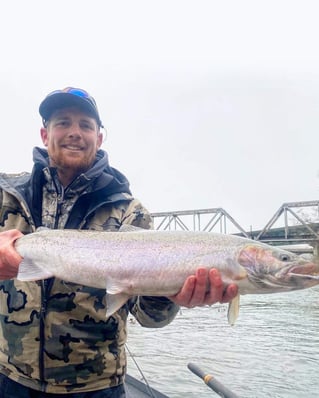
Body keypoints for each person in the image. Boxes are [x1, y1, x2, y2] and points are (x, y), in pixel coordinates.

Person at [0, 87, 238, 397]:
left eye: (86, 125)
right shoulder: (6, 196)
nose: (75, 132)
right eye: (63, 122)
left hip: (96, 386)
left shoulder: (130, 212)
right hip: (10, 378)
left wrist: (168, 293)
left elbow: (148, 317)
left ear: (99, 138)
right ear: (45, 134)